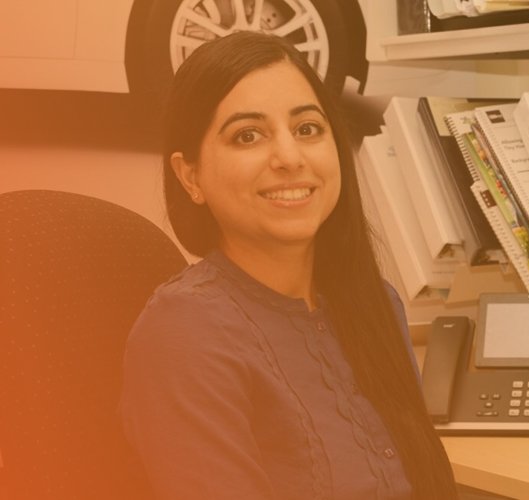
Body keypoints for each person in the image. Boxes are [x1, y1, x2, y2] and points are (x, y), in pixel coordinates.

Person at [120, 31, 458, 499]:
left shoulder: (375, 303)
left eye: (307, 129)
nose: (289, 158)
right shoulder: (186, 331)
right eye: (248, 135)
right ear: (190, 176)